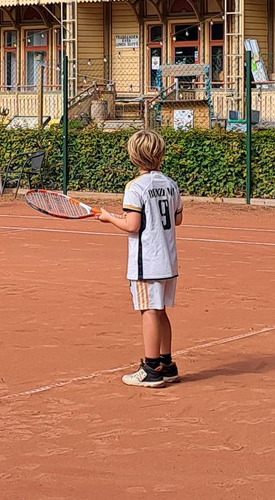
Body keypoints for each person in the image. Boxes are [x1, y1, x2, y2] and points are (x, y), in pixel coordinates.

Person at [96, 128, 183, 388]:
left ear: (134, 156)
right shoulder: (170, 183)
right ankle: (167, 364)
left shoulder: (135, 187)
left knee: (149, 311)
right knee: (160, 311)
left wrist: (110, 217)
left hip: (148, 263)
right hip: (168, 261)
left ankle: (151, 368)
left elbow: (133, 225)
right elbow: (177, 218)